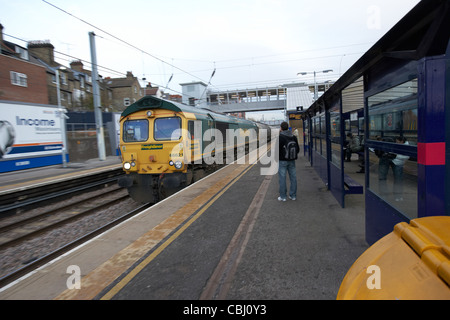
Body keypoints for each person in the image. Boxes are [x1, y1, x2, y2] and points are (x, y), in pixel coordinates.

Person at [278, 122, 300, 202]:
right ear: (288, 128)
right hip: (292, 161)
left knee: (282, 179)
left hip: (282, 161)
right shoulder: (293, 137)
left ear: (281, 128)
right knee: (293, 178)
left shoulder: (280, 137)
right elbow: (297, 149)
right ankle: (293, 196)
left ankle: (283, 197)